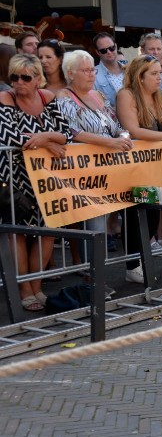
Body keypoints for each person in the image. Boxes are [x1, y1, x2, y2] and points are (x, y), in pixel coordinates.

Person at [0, 54, 74, 310]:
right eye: (13, 77)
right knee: (17, 232)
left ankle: (37, 286)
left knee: (48, 230)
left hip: (47, 178)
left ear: (37, 80)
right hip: (14, 177)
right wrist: (48, 141)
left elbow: (67, 133)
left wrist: (45, 138)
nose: (18, 82)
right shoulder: (5, 99)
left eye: (25, 77)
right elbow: (12, 137)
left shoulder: (48, 98)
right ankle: (24, 290)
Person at [55, 50, 135, 266]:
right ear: (70, 74)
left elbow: (115, 125)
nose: (91, 74)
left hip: (110, 169)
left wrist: (122, 136)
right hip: (85, 172)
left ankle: (102, 275)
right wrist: (110, 142)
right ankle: (93, 277)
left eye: (92, 69)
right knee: (94, 226)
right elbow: (70, 131)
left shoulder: (98, 95)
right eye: (85, 70)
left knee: (108, 220)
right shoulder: (64, 97)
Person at [115, 55, 162, 282]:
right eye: (154, 74)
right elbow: (133, 130)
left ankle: (143, 259)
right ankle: (132, 265)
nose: (160, 77)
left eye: (160, 73)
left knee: (154, 214)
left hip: (157, 169)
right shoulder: (126, 95)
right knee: (135, 214)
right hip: (134, 168)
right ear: (140, 76)